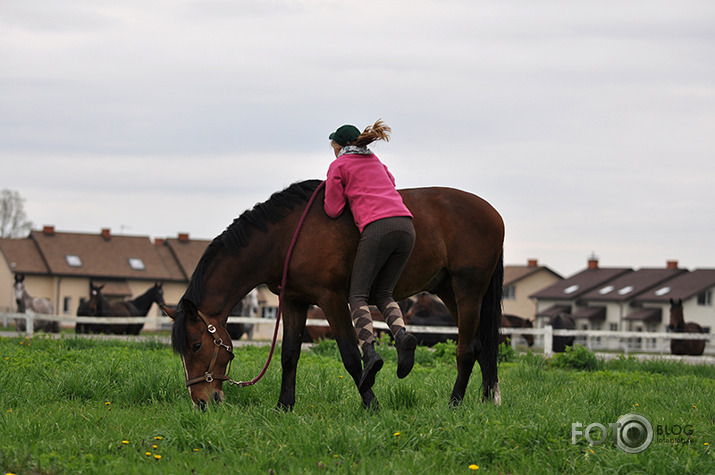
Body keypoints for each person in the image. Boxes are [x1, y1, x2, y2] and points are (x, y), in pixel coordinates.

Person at [324, 119, 418, 393]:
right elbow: (391, 182)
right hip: (406, 226)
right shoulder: (376, 161)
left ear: (339, 146)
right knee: (385, 293)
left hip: (377, 228)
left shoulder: (339, 165)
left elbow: (332, 208)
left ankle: (370, 352)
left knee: (357, 295)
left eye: (333, 147)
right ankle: (401, 335)